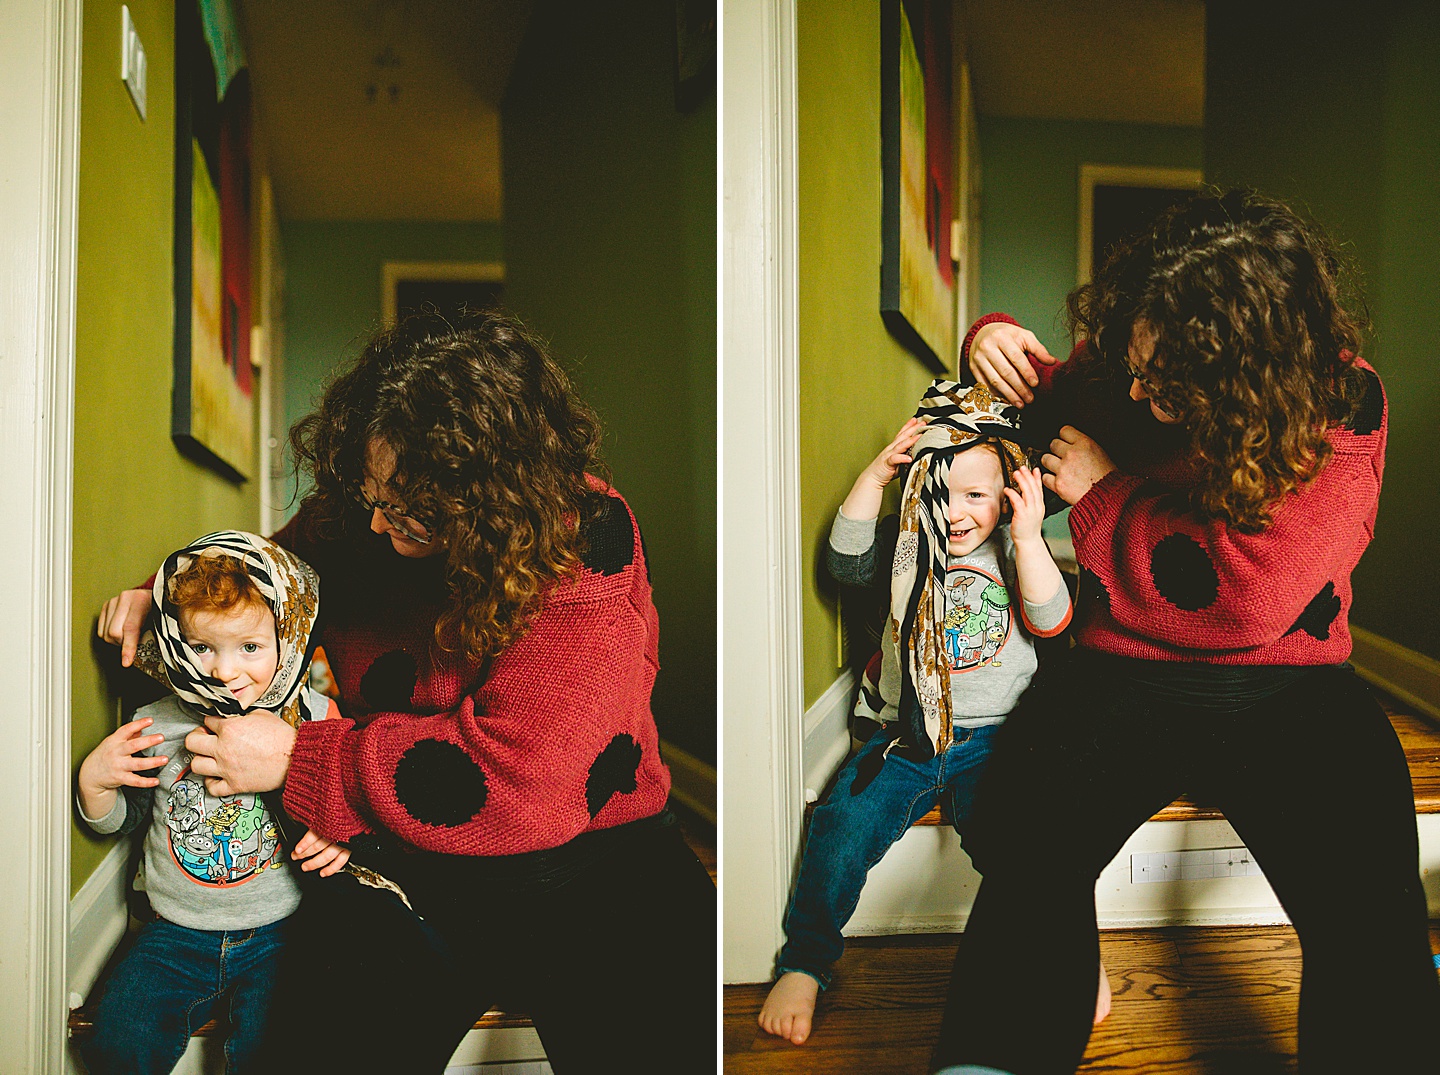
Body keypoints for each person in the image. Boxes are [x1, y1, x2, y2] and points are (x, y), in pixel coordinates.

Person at [97, 311, 715, 1074]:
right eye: (373, 496)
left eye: (415, 509)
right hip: (407, 850)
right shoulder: (362, 513)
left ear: (494, 493)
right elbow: (265, 586)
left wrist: (301, 760)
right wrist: (160, 594)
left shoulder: (587, 537)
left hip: (595, 855)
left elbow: (529, 785)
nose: (382, 528)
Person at [930, 190, 1440, 1074]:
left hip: (1291, 679)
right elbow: (1041, 394)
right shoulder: (1142, 346)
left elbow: (1248, 596)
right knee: (1029, 848)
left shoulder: (1344, 405)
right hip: (1121, 670)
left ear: (1243, 374)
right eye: (1133, 364)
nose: (1133, 390)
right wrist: (989, 340)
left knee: (1370, 904)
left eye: (1163, 381)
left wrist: (1103, 490)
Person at [759, 383, 1090, 1046]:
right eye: (941, 492)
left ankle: (1068, 960)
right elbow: (844, 562)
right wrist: (873, 478)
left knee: (1027, 841)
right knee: (841, 825)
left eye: (977, 495)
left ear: (1010, 493)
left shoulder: (1013, 550)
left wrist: (1029, 539)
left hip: (998, 739)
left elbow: (1053, 620)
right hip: (907, 737)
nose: (958, 512)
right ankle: (805, 959)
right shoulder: (904, 544)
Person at [77, 532, 345, 1075]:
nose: (225, 672)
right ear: (176, 642)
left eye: (250, 647)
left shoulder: (317, 718)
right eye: (202, 647)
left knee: (276, 1052)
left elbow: (343, 797)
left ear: (287, 638)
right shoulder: (156, 722)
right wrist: (95, 785)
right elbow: (126, 820)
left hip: (280, 931)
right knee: (116, 1040)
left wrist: (336, 828)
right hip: (172, 933)